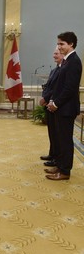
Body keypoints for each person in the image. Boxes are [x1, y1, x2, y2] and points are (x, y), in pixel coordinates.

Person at [45, 32, 82, 180]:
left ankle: (65, 171)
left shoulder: (74, 61)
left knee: (65, 141)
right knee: (60, 139)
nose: (59, 47)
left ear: (71, 44)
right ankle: (60, 166)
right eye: (58, 43)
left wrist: (56, 103)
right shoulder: (67, 61)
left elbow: (69, 88)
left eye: (62, 44)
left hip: (66, 108)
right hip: (62, 107)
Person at [39, 48, 63, 167]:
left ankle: (56, 158)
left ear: (63, 55)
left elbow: (56, 89)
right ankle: (52, 154)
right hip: (49, 104)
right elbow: (48, 86)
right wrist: (44, 97)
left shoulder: (62, 71)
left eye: (56, 53)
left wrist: (46, 98)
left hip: (56, 105)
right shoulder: (54, 70)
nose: (54, 55)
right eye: (54, 53)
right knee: (52, 132)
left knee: (57, 134)